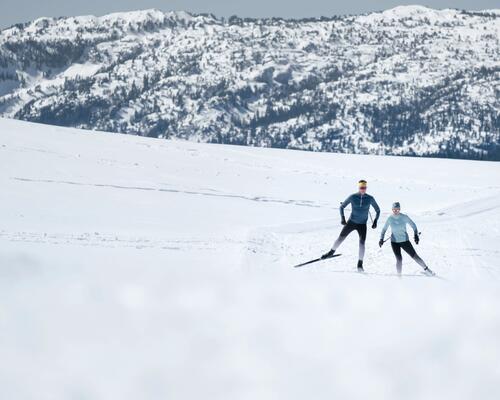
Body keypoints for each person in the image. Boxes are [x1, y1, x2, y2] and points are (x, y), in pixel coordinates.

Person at [321, 179, 380, 272]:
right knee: (340, 238)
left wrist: (375, 221)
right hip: (351, 222)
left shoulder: (370, 198)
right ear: (358, 187)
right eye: (361, 187)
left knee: (362, 244)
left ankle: (360, 264)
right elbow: (342, 207)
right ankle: (331, 252)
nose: (363, 189)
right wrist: (343, 218)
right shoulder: (353, 197)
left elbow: (378, 210)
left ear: (366, 188)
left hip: (362, 225)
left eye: (364, 187)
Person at [379, 202, 434, 276]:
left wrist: (416, 234)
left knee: (415, 256)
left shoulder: (404, 217)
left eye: (397, 209)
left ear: (399, 209)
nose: (396, 211)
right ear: (392, 210)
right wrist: (381, 239)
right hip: (394, 242)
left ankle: (427, 270)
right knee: (399, 259)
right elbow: (383, 230)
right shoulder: (390, 219)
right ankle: (399, 276)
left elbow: (413, 225)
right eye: (394, 209)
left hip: (405, 241)